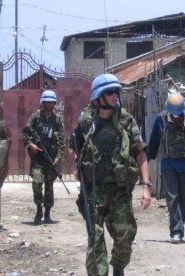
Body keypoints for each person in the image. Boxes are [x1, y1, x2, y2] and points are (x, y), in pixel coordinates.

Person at [70, 73, 151, 276]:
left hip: (120, 193)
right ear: (99, 96)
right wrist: (77, 165)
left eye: (116, 91)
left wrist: (146, 186)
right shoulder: (86, 121)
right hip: (94, 192)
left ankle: (119, 268)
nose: (114, 95)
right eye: (109, 92)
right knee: (95, 240)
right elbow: (73, 147)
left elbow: (140, 153)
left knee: (125, 237)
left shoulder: (126, 120)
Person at [147, 91, 185, 244]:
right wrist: (144, 161)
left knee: (184, 198)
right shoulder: (160, 119)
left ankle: (180, 225)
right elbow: (153, 143)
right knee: (173, 198)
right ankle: (176, 231)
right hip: (168, 164)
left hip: (184, 164)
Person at [22, 90, 65, 225]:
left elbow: (62, 141)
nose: (49, 104)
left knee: (49, 187)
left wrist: (58, 157)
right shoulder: (35, 117)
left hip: (51, 159)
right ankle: (39, 210)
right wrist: (31, 145)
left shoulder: (57, 120)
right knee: (37, 184)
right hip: (38, 159)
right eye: (46, 101)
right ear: (43, 102)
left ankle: (47, 214)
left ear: (54, 103)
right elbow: (25, 134)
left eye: (51, 102)